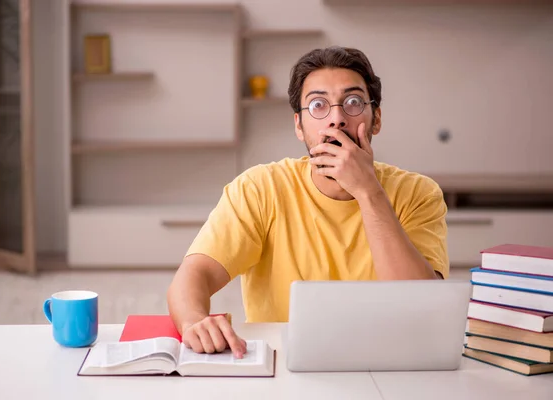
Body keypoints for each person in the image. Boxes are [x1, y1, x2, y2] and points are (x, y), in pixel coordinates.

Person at [167, 46, 449, 359]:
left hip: (391, 362)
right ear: (299, 126)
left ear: (376, 119)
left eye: (353, 102)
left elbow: (422, 307)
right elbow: (195, 274)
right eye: (318, 105)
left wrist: (369, 192)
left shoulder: (418, 194)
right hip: (284, 366)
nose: (337, 119)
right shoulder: (261, 189)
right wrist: (194, 320)